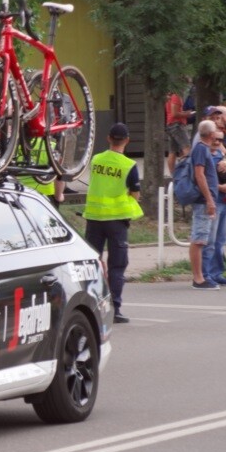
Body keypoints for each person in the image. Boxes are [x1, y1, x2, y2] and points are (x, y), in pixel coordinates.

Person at [82, 123, 143, 323]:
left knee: (92, 263)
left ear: (109, 138)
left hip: (93, 219)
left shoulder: (96, 159)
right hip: (116, 222)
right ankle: (114, 308)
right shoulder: (128, 165)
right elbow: (135, 194)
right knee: (117, 266)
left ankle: (90, 305)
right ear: (127, 140)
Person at [202, 131, 226, 287]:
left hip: (224, 201)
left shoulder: (220, 153)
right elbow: (199, 179)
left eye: (220, 140)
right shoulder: (202, 154)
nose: (217, 142)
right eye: (214, 139)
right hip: (212, 201)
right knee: (209, 241)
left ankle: (217, 273)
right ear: (208, 138)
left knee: (220, 241)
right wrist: (220, 188)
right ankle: (206, 275)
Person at [189, 120, 220, 290]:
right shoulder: (201, 149)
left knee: (202, 238)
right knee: (199, 239)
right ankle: (198, 278)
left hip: (205, 200)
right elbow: (199, 175)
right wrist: (209, 199)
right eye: (215, 130)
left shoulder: (203, 148)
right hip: (202, 201)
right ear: (211, 134)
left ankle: (200, 276)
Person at [165, 90, 194, 175]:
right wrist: (187, 114)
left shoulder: (169, 96)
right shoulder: (176, 96)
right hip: (177, 125)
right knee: (187, 148)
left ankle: (173, 175)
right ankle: (189, 174)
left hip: (170, 125)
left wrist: (184, 112)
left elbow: (173, 112)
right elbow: (175, 114)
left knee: (172, 151)